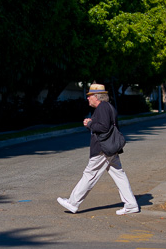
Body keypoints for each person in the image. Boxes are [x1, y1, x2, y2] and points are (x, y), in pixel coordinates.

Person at [57, 83, 139, 215]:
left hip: (102, 149)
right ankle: (131, 204)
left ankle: (73, 203)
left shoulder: (102, 107)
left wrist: (89, 123)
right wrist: (92, 123)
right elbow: (106, 125)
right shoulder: (109, 107)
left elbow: (103, 127)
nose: (88, 98)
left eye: (90, 96)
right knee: (119, 175)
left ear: (97, 97)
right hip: (110, 148)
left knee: (90, 175)